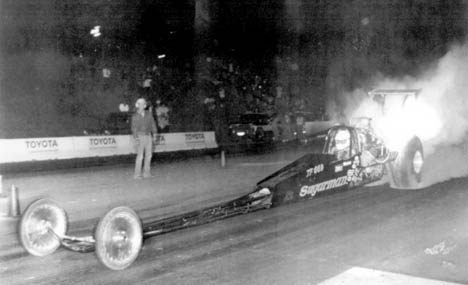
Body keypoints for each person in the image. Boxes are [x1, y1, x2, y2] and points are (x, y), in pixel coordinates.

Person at [131, 98, 158, 179]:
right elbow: (134, 128)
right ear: (137, 105)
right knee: (140, 156)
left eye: (143, 103)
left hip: (148, 136)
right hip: (140, 136)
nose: (142, 105)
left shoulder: (149, 114)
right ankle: (137, 174)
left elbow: (153, 124)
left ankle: (147, 173)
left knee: (149, 155)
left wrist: (155, 134)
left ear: (145, 105)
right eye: (140, 103)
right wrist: (136, 138)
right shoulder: (135, 116)